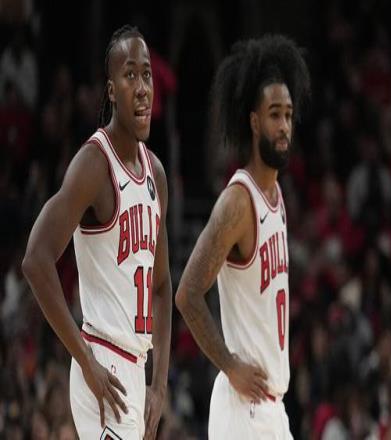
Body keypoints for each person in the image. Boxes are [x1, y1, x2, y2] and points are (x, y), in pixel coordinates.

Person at [22, 25, 172, 439]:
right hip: (102, 364)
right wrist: (85, 359)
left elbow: (161, 285)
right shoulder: (93, 164)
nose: (141, 87)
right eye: (129, 75)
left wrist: (159, 385)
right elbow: (36, 259)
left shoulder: (156, 174)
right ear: (111, 90)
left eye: (147, 75)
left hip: (136, 373)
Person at [175, 34, 311, 438]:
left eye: (288, 115)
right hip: (244, 410)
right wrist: (230, 365)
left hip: (272, 409)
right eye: (274, 115)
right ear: (254, 122)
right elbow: (187, 294)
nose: (284, 126)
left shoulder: (276, 196)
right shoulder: (238, 201)